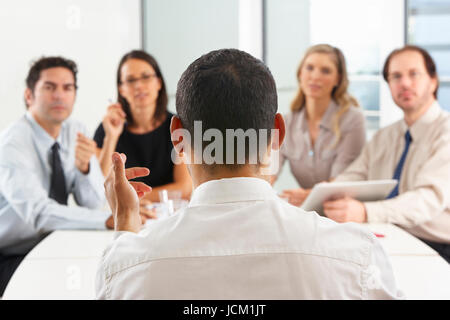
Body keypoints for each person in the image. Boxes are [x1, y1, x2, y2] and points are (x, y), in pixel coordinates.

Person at [96, 49, 403, 299]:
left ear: (178, 137)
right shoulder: (357, 256)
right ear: (277, 134)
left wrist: (126, 223)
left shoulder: (126, 265)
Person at [0, 56, 133, 296]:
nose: (59, 95)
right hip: (10, 254)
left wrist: (85, 171)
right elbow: (38, 214)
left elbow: (91, 202)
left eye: (67, 88)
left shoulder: (76, 130)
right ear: (29, 96)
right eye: (49, 87)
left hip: (53, 243)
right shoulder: (13, 143)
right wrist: (105, 220)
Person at [323, 45, 450, 263]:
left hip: (438, 248)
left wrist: (364, 212)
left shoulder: (445, 132)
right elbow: (356, 175)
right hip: (389, 236)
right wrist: (323, 194)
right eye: (396, 76)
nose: (405, 83)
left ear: (433, 81)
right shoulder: (385, 136)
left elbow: (427, 199)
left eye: (414, 74)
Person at [94, 50, 192, 208]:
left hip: (169, 216)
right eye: (130, 80)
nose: (139, 86)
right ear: (121, 89)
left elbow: (184, 189)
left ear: (158, 83)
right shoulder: (107, 129)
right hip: (124, 216)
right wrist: (111, 137)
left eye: (146, 77)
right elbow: (98, 188)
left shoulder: (177, 126)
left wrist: (132, 198)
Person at [275, 44, 366, 207]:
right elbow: (269, 173)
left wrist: (308, 196)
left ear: (338, 79)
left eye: (325, 71)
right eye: (309, 68)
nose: (315, 76)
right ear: (300, 73)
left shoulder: (353, 120)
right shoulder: (286, 122)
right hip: (309, 212)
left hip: (345, 209)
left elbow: (341, 184)